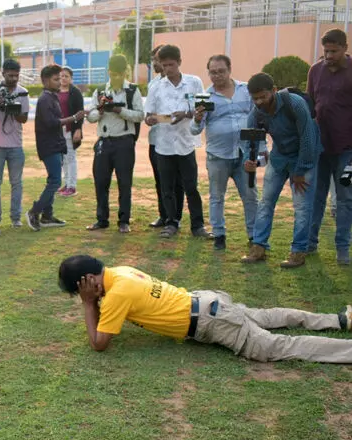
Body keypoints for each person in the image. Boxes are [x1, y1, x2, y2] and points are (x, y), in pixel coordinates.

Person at [58, 254, 352, 363]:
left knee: (278, 346)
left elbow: (99, 344)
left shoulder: (115, 296)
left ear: (88, 280)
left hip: (211, 320)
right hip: (209, 303)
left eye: (78, 289)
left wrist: (87, 303)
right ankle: (339, 319)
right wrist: (93, 298)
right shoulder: (119, 272)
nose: (79, 295)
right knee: (265, 316)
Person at [240, 72, 322, 268]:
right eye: (255, 98)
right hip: (279, 157)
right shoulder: (257, 111)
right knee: (265, 202)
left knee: (302, 207)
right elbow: (248, 138)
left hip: (304, 158)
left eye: (263, 96)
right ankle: (258, 247)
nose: (259, 101)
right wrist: (248, 160)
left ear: (274, 91)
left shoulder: (295, 104)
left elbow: (308, 139)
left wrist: (301, 171)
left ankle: (298, 252)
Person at [190, 55, 258, 251]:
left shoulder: (246, 91)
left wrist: (260, 150)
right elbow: (195, 131)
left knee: (250, 196)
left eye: (221, 71)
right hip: (218, 156)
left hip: (245, 153)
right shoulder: (205, 96)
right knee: (216, 196)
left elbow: (257, 118)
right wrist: (197, 118)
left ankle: (254, 236)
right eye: (213, 72)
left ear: (230, 70)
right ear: (208, 73)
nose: (217, 75)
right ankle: (219, 235)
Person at [144, 45, 211, 239]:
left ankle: (197, 225)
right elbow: (148, 117)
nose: (168, 69)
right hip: (164, 145)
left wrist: (186, 114)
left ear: (179, 62)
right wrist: (159, 119)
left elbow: (204, 108)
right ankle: (172, 222)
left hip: (186, 143)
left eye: (171, 65)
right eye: (164, 66)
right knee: (167, 188)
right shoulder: (155, 87)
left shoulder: (194, 82)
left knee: (191, 186)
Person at [84, 54, 144, 234]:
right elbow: (91, 117)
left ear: (124, 72)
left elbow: (140, 115)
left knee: (124, 183)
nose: (116, 78)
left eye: (119, 74)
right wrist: (102, 109)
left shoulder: (132, 91)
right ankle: (102, 219)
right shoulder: (101, 91)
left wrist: (120, 110)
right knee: (101, 182)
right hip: (104, 141)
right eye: (112, 74)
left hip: (124, 142)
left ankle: (124, 220)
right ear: (108, 72)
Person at [308, 29, 352, 265]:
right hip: (320, 148)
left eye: (334, 51)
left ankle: (342, 248)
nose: (329, 55)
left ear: (345, 48)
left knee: (345, 198)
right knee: (316, 196)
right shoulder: (315, 70)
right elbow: (311, 105)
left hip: (348, 151)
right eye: (325, 51)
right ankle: (310, 243)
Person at [26, 64, 82, 232]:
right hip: (48, 146)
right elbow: (51, 123)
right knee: (56, 181)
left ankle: (47, 216)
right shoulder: (45, 99)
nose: (59, 82)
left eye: (60, 78)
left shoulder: (52, 96)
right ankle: (35, 211)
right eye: (56, 79)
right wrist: (73, 118)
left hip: (55, 144)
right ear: (45, 80)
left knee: (53, 180)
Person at [0, 59, 30, 228]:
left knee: (16, 183)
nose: (13, 79)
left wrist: (13, 108)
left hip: (16, 145)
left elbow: (23, 118)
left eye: (16, 76)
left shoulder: (22, 92)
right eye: (10, 75)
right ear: (3, 73)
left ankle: (16, 218)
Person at [147, 45, 184, 229]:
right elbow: (149, 115)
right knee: (160, 180)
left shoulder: (184, 83)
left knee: (178, 181)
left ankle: (176, 216)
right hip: (156, 140)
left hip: (178, 141)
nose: (156, 63)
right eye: (154, 59)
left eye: (157, 59)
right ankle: (164, 215)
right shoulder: (153, 85)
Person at [57, 66, 84, 198]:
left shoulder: (75, 92)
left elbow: (80, 112)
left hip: (71, 129)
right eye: (61, 76)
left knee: (70, 158)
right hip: (57, 130)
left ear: (71, 78)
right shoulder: (55, 91)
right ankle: (66, 183)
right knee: (62, 159)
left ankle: (72, 186)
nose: (63, 78)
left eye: (66, 76)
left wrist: (78, 129)